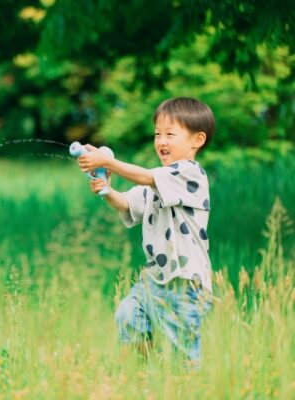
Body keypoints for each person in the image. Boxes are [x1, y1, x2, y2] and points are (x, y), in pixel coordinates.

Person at [78, 97, 214, 366]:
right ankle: (145, 374)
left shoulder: (190, 174)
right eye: (157, 134)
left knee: (182, 355)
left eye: (170, 134)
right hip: (153, 280)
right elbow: (128, 204)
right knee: (128, 316)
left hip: (185, 283)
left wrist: (108, 161)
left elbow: (147, 177)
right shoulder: (157, 182)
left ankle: (183, 388)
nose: (161, 141)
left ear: (197, 140)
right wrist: (106, 189)